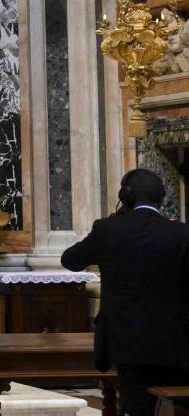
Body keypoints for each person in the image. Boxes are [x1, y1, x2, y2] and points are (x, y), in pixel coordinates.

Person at [62, 169, 189, 415]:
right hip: (175, 340)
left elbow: (70, 260)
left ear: (125, 196)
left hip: (127, 341)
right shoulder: (182, 233)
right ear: (162, 199)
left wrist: (116, 222)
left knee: (137, 406)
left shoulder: (108, 229)